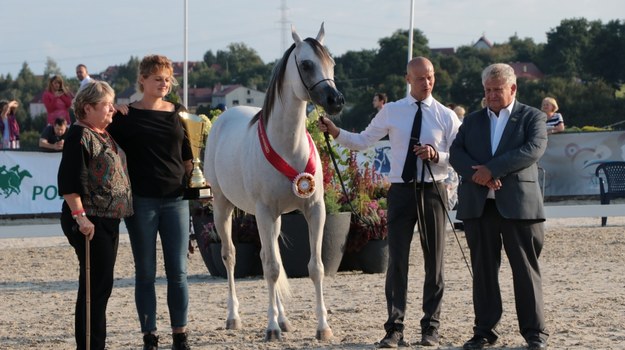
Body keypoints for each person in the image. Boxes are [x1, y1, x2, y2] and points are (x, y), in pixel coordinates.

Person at [319, 57, 460, 348]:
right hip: (401, 191)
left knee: (435, 262)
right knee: (396, 261)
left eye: (431, 77)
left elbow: (460, 154)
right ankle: (394, 328)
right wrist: (335, 131)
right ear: (408, 78)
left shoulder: (446, 115)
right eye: (420, 78)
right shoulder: (392, 111)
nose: (427, 82)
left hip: (433, 190)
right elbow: (362, 140)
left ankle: (430, 328)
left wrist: (437, 156)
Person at [449, 63, 549, 350]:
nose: (492, 95)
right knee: (482, 272)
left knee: (525, 271)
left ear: (513, 88)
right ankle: (484, 331)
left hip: (519, 206)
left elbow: (532, 150)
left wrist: (492, 170)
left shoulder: (533, 116)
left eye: (498, 90)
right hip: (479, 206)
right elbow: (457, 152)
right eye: (488, 90)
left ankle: (534, 334)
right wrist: (477, 175)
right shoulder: (473, 120)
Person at [107, 54, 193, 350]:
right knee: (145, 272)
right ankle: (150, 335)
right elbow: (92, 127)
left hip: (177, 200)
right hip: (141, 201)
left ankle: (180, 335)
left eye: (168, 79)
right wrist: (111, 110)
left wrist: (197, 185)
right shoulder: (124, 116)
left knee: (178, 272)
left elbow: (188, 157)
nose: (164, 83)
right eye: (158, 78)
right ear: (142, 80)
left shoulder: (179, 113)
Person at [58, 80, 133, 350]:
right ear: (87, 108)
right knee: (94, 290)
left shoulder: (101, 132)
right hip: (90, 221)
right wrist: (81, 218)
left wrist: (122, 110)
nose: (111, 109)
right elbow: (69, 182)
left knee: (101, 287)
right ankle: (90, 346)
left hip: (107, 220)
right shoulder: (79, 135)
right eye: (106, 105)